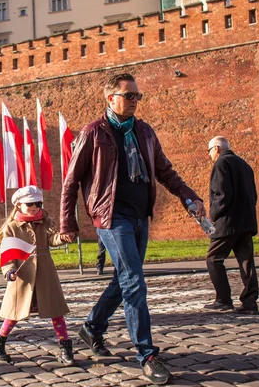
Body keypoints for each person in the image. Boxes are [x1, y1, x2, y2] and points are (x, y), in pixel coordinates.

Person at [59, 73, 205, 385]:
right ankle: (147, 354)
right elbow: (71, 182)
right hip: (111, 218)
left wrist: (189, 195)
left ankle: (92, 328)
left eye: (137, 95)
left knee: (123, 280)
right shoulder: (92, 133)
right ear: (109, 98)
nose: (135, 100)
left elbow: (165, 171)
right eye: (129, 95)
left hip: (141, 216)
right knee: (134, 282)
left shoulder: (145, 132)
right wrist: (67, 223)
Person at [0, 186, 76, 367]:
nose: (35, 206)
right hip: (23, 277)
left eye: (38, 203)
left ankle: (65, 347)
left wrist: (63, 238)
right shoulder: (12, 227)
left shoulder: (44, 223)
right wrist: (9, 270)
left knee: (56, 311)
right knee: (14, 313)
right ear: (19, 205)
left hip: (46, 275)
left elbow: (52, 239)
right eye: (30, 203)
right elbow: (7, 254)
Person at [205, 136, 259, 315]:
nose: (210, 155)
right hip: (247, 221)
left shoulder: (221, 164)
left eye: (209, 151)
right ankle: (250, 302)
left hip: (228, 222)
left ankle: (223, 299)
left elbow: (221, 194)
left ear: (217, 149)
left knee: (213, 258)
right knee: (246, 262)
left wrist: (213, 215)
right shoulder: (245, 165)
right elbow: (254, 195)